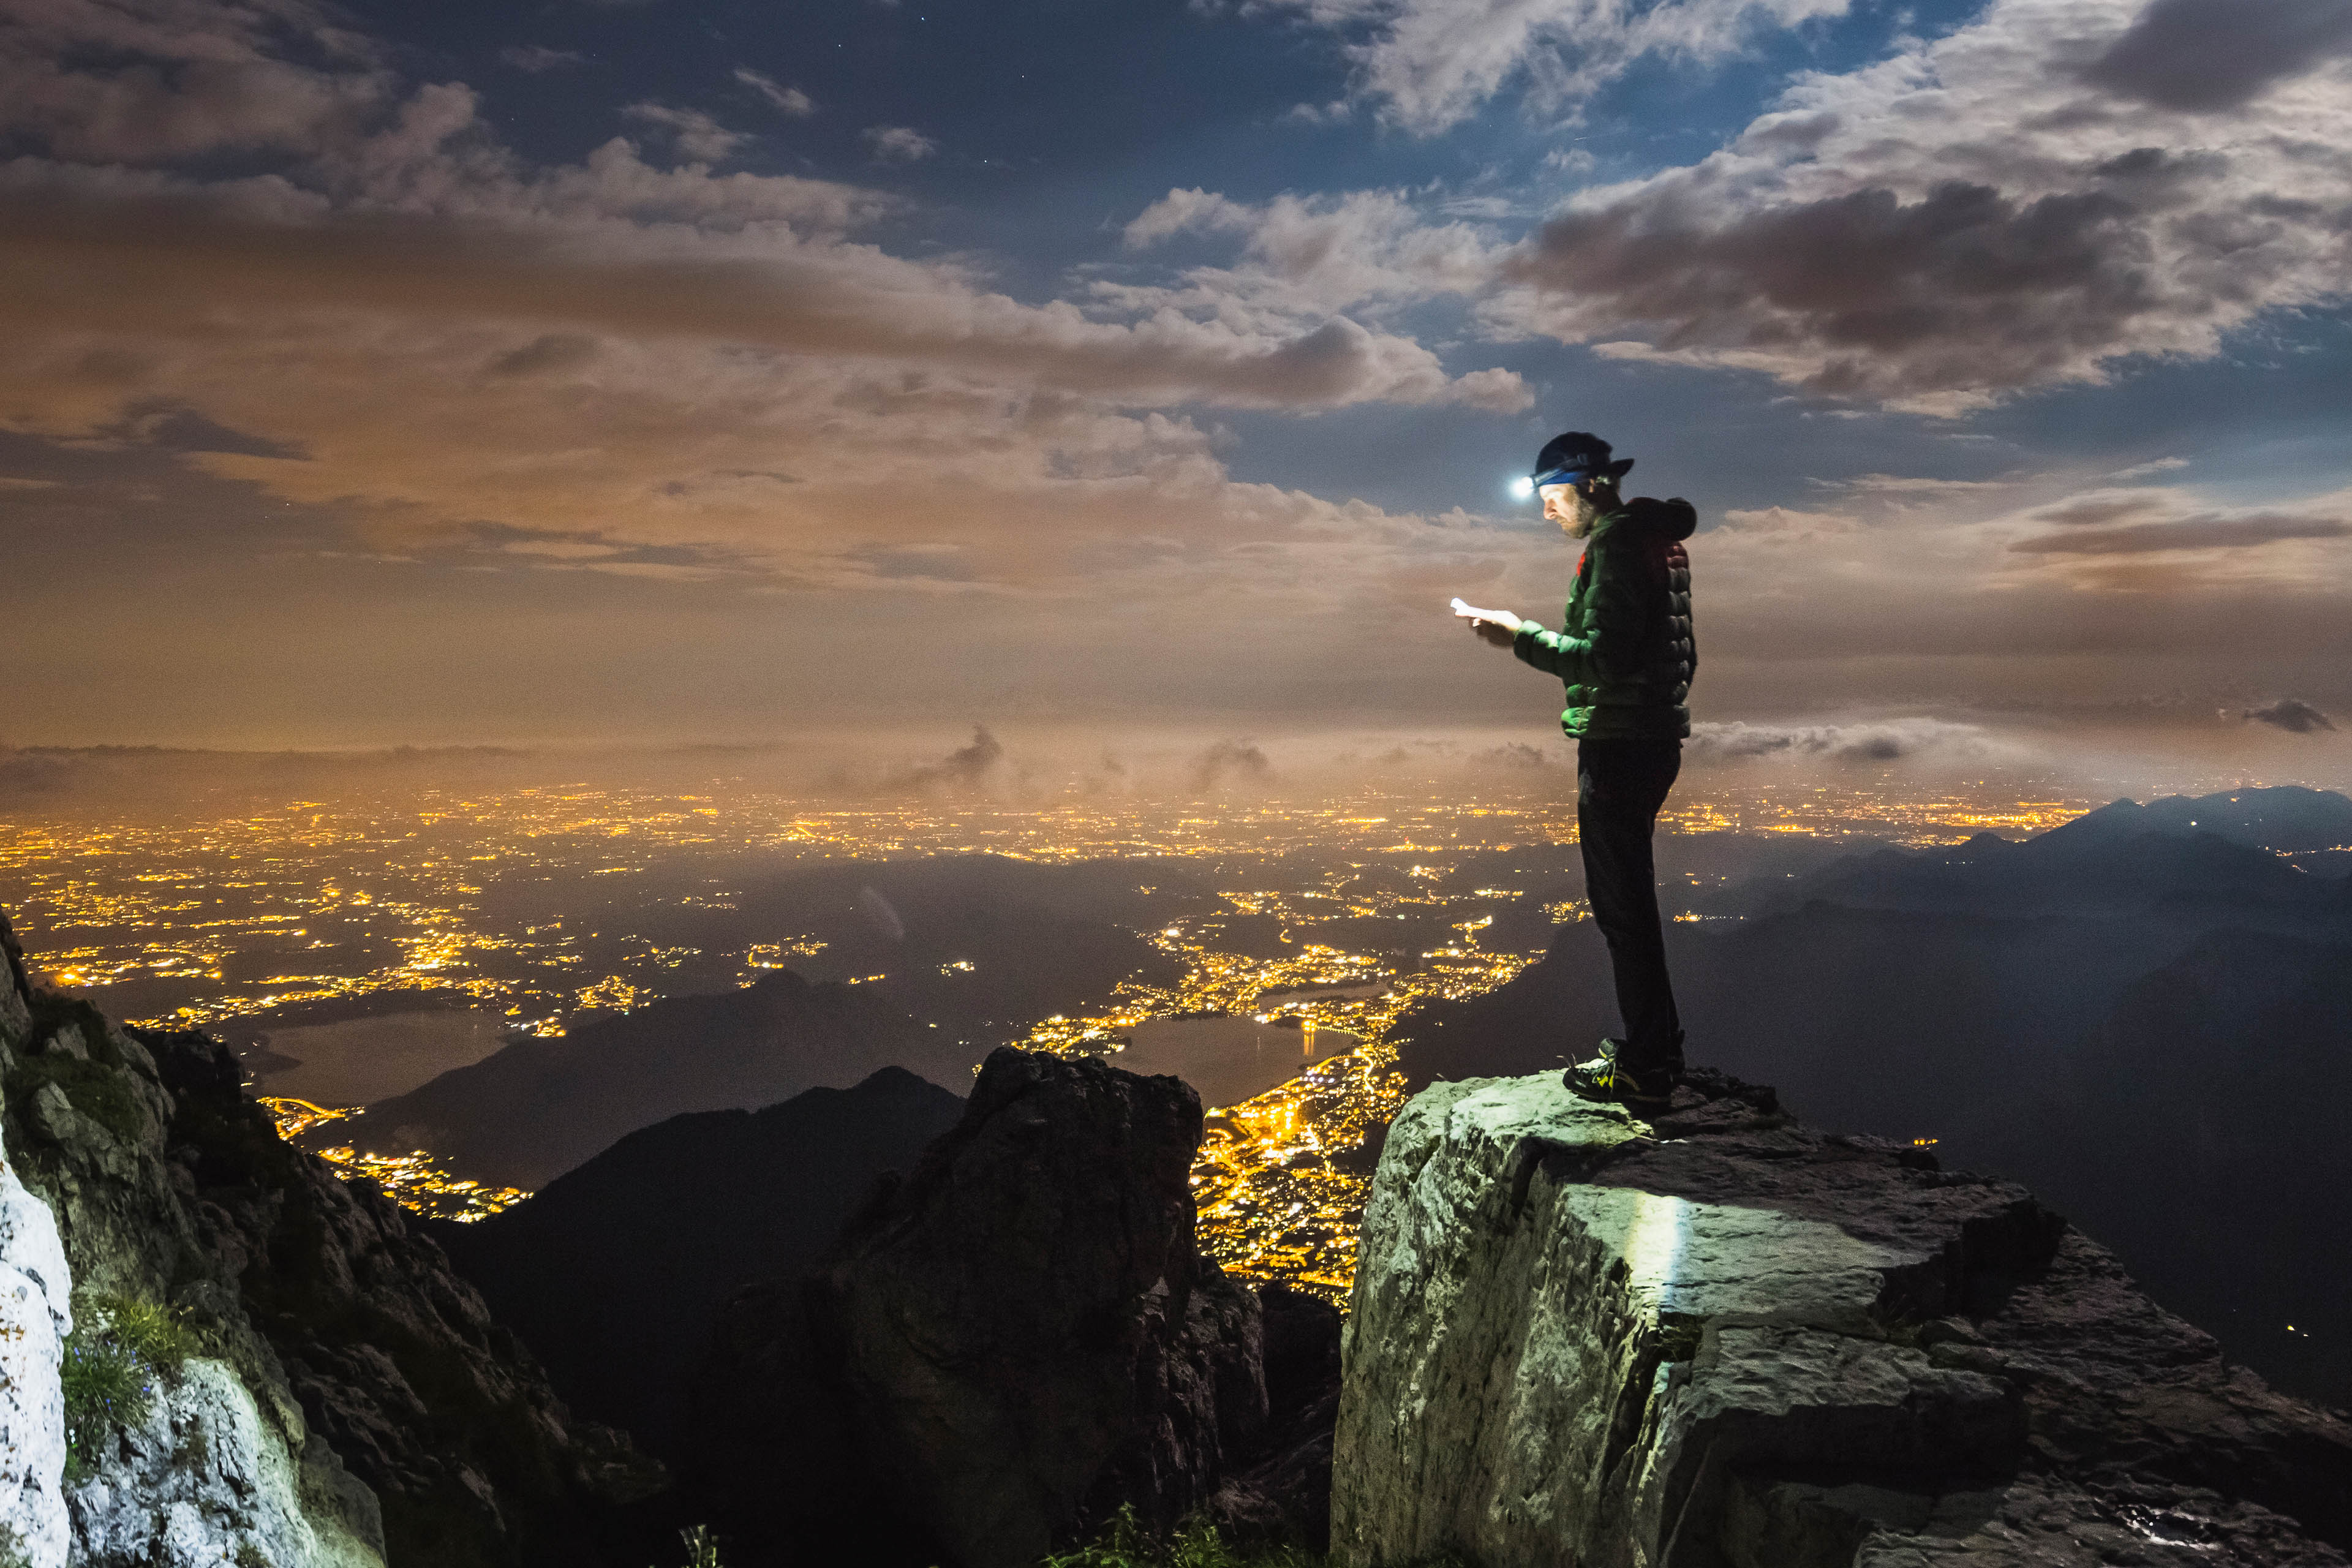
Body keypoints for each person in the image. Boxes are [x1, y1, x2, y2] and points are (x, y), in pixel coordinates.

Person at [1451, 431, 1697, 1110]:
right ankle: (1657, 1050)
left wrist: (1516, 635)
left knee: (1623, 908)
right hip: (1649, 736)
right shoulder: (1658, 540)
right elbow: (1671, 651)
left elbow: (1605, 657)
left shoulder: (1617, 544)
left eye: (1554, 497)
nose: (1546, 512)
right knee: (1631, 904)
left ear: (1591, 486)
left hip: (1620, 743)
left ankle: (1648, 1066)